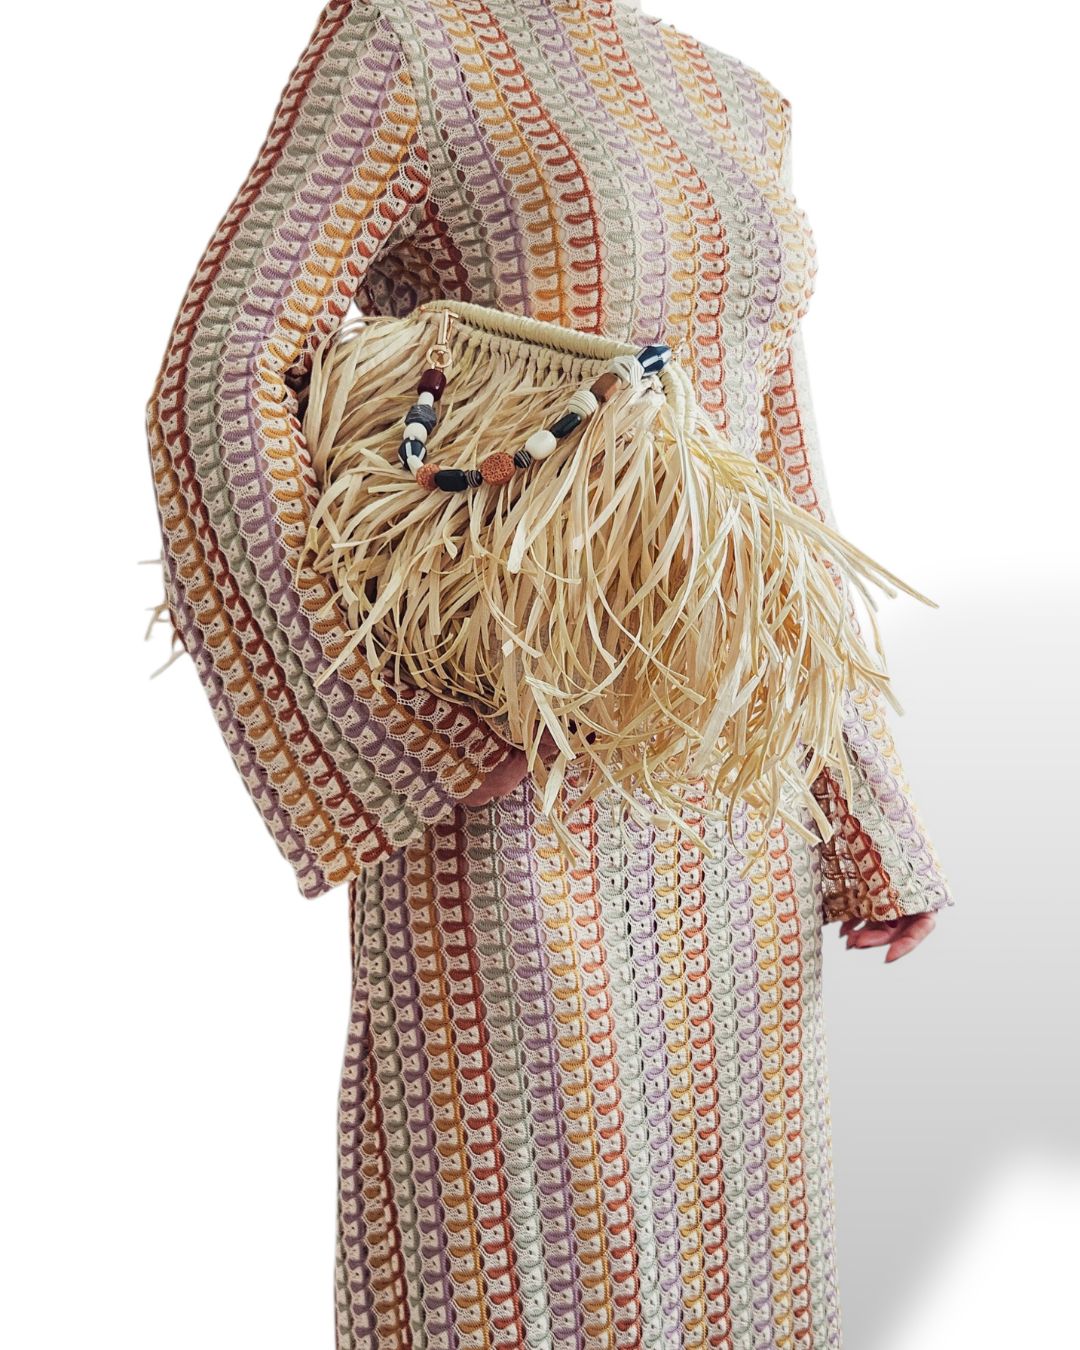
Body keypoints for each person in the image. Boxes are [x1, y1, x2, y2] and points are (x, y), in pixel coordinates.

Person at [145, 0, 953, 1344]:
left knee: (740, 1267)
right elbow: (222, 373)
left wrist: (864, 813)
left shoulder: (739, 96)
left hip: (731, 803)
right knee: (527, 1262)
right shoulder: (409, 41)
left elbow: (774, 483)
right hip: (519, 780)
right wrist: (391, 730)